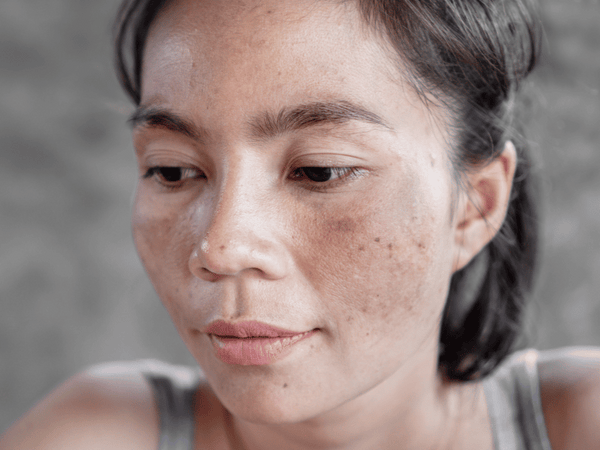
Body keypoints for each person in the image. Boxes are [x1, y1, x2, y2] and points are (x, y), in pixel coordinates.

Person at [2, 0, 600, 449]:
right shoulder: (96, 435)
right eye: (173, 171)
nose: (222, 246)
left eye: (320, 171)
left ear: (474, 205)